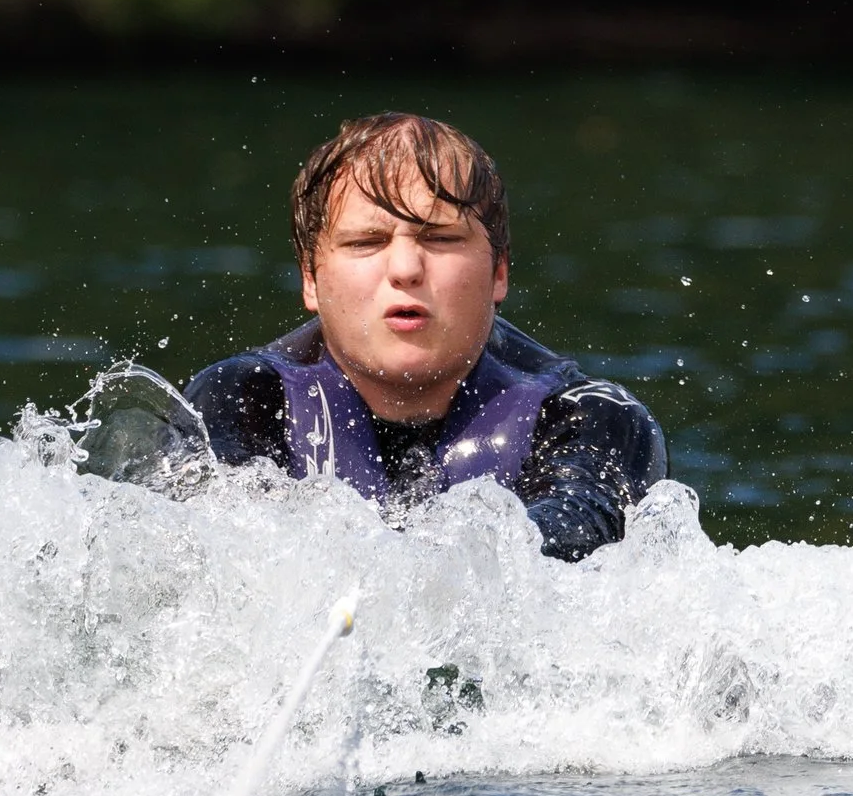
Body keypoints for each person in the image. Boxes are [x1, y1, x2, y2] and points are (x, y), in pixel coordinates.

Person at [168, 111, 666, 561]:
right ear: (311, 280)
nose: (405, 269)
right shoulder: (241, 399)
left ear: (499, 274)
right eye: (367, 242)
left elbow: (580, 535)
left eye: (441, 239)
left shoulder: (591, 417)